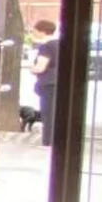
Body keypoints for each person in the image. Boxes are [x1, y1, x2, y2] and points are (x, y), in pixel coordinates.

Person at [29, 19, 60, 147]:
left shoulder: (46, 47)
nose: (33, 33)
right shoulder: (59, 44)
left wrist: (32, 69)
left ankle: (48, 141)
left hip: (48, 83)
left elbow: (40, 67)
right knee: (57, 112)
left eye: (34, 31)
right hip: (59, 82)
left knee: (48, 114)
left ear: (42, 31)